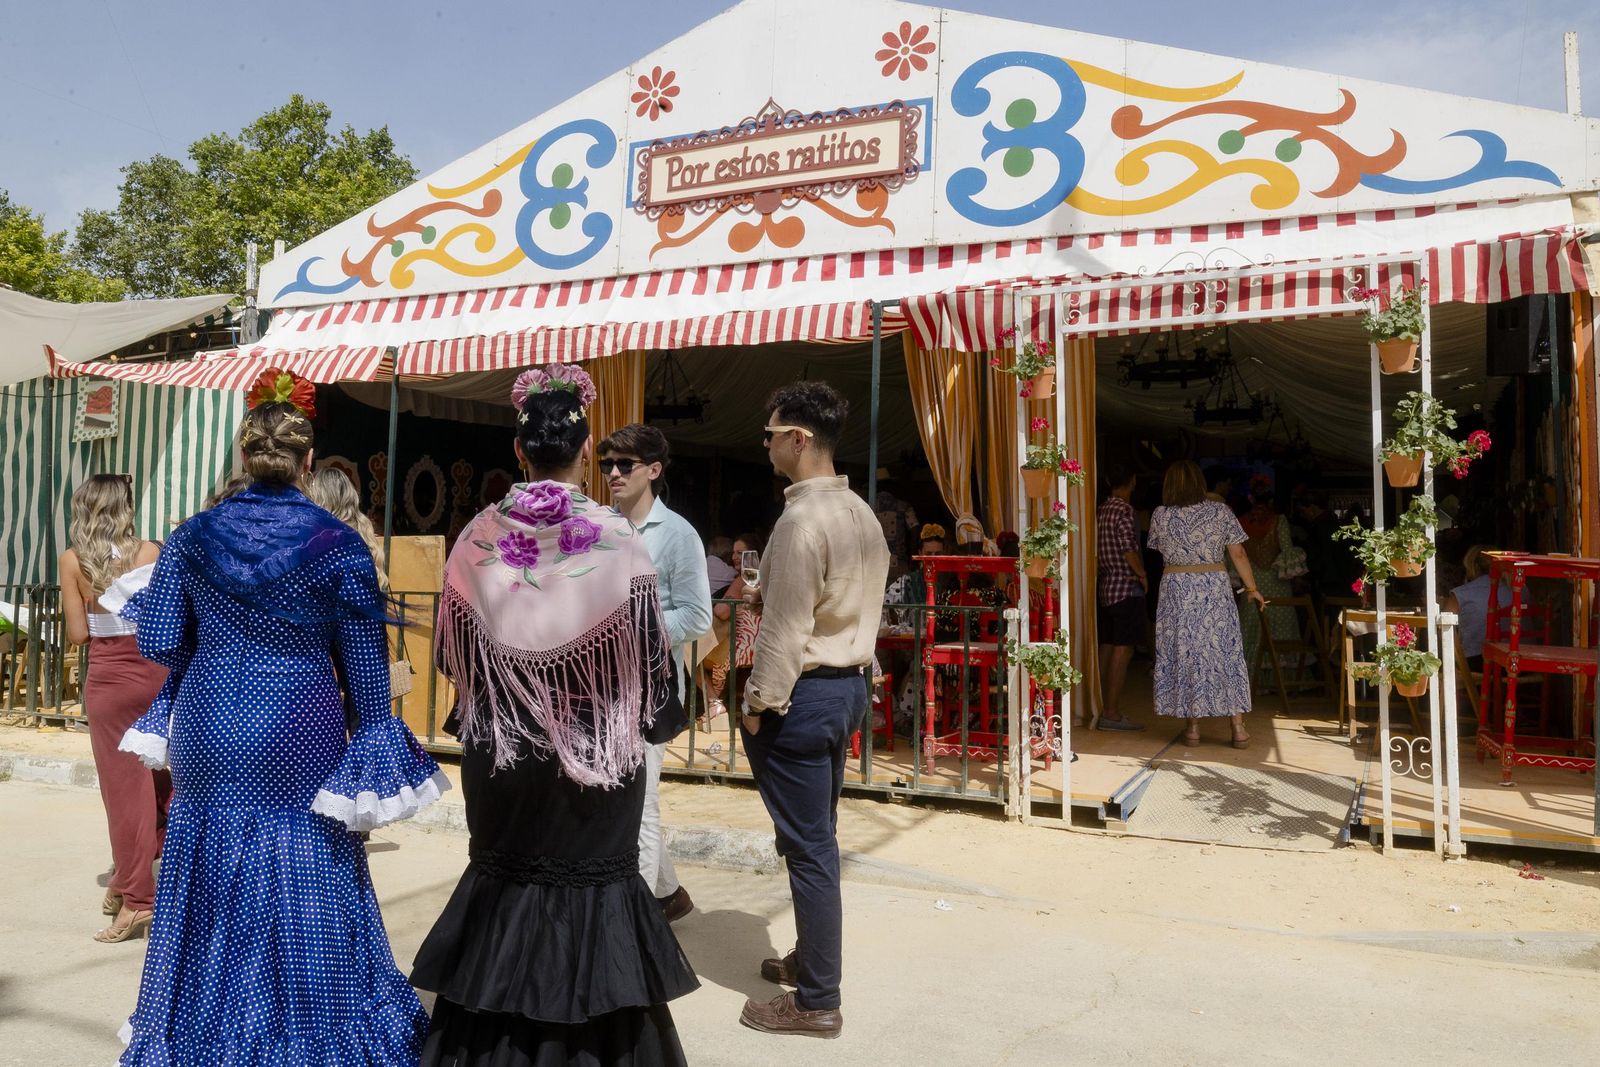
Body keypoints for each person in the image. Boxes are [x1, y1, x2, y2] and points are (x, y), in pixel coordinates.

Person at [113, 372, 447, 1063]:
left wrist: (218, 637)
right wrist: (369, 732)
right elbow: (363, 670)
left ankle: (205, 1029)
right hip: (298, 721)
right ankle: (307, 1030)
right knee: (306, 865)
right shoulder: (337, 542)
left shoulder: (192, 535)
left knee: (207, 859)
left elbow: (160, 640)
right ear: (307, 458)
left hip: (208, 722)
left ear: (242, 455)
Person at [412, 366, 697, 1066]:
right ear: (586, 447)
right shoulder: (615, 535)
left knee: (503, 891)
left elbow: (455, 658)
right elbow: (646, 665)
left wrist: (518, 685)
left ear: (518, 450)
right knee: (593, 901)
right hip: (596, 757)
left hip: (506, 753)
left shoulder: (478, 534)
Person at [738, 381, 890, 1039]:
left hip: (802, 693)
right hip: (846, 686)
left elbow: (785, 630)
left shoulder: (801, 521)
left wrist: (755, 704)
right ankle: (811, 958)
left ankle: (817, 997)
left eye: (771, 433)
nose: (767, 443)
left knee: (809, 848)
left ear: (798, 439)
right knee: (815, 837)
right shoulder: (859, 511)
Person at [599, 422, 712, 925]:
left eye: (625, 465)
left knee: (637, 806)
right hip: (601, 685)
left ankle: (635, 926)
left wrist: (631, 629)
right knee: (620, 799)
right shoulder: (598, 524)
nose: (614, 474)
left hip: (650, 688)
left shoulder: (679, 535)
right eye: (606, 465)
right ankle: (669, 894)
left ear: (654, 470)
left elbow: (697, 616)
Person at [59, 474, 169, 943]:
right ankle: (152, 882)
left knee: (125, 794)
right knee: (166, 782)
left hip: (112, 679)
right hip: (159, 674)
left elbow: (79, 635)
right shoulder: (150, 552)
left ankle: (137, 899)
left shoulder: (72, 561)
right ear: (126, 507)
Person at [1148, 460, 1266, 748]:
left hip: (1176, 588)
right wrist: (1252, 588)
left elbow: (1159, 549)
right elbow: (1238, 553)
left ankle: (1193, 729)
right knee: (1223, 650)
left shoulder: (1161, 515)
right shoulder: (1220, 511)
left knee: (1187, 652)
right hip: (1213, 586)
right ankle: (1237, 728)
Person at [1095, 466, 1147, 731]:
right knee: (1123, 649)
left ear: (1107, 480)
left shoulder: (1101, 510)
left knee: (1107, 644)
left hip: (1106, 587)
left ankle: (1099, 706)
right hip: (1126, 587)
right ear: (1133, 480)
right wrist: (1142, 573)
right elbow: (1128, 547)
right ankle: (1112, 712)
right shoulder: (1125, 510)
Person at [1235, 475, 1298, 673]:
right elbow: (1287, 549)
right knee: (1280, 628)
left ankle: (1250, 678)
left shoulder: (1240, 522)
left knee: (1250, 628)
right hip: (1276, 581)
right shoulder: (1279, 521)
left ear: (1250, 498)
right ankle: (1282, 679)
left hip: (1250, 580)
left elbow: (1235, 554)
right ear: (1271, 499)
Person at [1444, 545, 1494, 666]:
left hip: (1477, 662)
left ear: (1473, 567)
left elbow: (1443, 631)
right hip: (1521, 663)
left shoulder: (1461, 594)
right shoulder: (1520, 590)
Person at [872, 469, 919, 575]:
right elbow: (915, 528)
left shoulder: (867, 507)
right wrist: (913, 556)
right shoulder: (903, 506)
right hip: (899, 563)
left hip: (874, 565)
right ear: (890, 485)